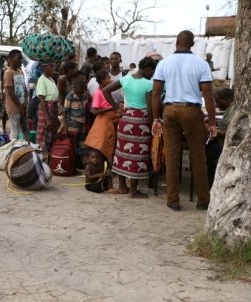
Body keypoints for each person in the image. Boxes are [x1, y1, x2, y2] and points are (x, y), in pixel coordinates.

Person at [152, 31, 217, 211]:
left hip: (170, 111)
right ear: (192, 44)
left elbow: (156, 93)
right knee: (198, 157)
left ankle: (173, 201)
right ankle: (203, 200)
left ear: (176, 43)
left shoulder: (164, 63)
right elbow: (208, 95)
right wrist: (212, 122)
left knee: (172, 156)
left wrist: (156, 118)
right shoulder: (201, 64)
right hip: (192, 111)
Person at [104, 57, 157, 198]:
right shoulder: (148, 84)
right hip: (141, 122)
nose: (152, 74)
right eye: (152, 70)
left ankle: (122, 186)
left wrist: (116, 107)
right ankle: (134, 190)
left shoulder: (125, 79)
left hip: (126, 119)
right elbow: (150, 108)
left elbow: (105, 91)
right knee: (138, 155)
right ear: (147, 69)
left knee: (122, 152)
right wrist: (152, 124)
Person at [84, 70, 120, 170]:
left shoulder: (108, 91)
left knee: (107, 145)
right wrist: (112, 107)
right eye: (108, 78)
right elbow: (94, 111)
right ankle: (99, 169)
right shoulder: (98, 93)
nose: (111, 80)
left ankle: (105, 168)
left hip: (110, 121)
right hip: (103, 122)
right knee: (100, 146)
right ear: (103, 80)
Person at [205, 87, 234, 189]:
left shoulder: (234, 110)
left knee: (207, 152)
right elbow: (224, 122)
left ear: (225, 100)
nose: (216, 104)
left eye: (217, 101)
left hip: (227, 146)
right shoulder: (229, 109)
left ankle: (211, 185)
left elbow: (230, 134)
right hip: (221, 142)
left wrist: (213, 130)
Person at [35, 62, 59, 158]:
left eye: (54, 65)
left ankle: (49, 156)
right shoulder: (42, 80)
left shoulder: (51, 79)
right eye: (51, 66)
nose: (54, 68)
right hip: (46, 108)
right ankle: (41, 156)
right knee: (43, 133)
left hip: (53, 107)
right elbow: (41, 99)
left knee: (51, 133)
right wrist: (48, 118)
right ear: (44, 67)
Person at [4, 49, 29, 140]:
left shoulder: (20, 71)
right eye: (19, 58)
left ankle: (25, 149)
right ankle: (13, 150)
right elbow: (10, 92)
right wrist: (20, 105)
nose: (21, 61)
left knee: (25, 129)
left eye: (21, 59)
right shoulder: (8, 73)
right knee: (15, 130)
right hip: (14, 107)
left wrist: (25, 101)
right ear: (10, 59)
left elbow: (24, 87)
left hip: (22, 106)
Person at [61, 79, 88, 159]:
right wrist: (65, 128)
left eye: (81, 92)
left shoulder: (84, 95)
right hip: (73, 123)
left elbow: (86, 110)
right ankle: (74, 161)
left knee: (83, 142)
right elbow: (64, 112)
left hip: (82, 122)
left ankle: (83, 161)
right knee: (73, 142)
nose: (80, 94)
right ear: (74, 88)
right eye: (78, 92)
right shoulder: (70, 97)